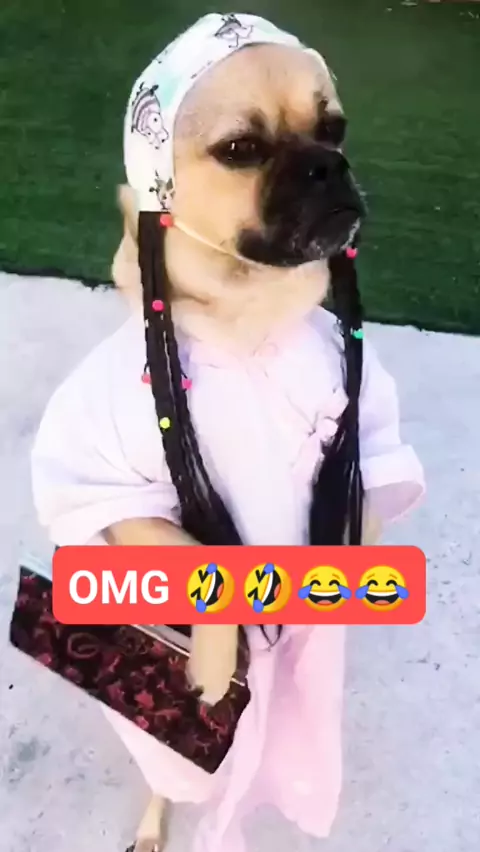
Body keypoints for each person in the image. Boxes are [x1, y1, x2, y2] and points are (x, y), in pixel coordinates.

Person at [31, 13, 425, 852]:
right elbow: (106, 504)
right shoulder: (120, 386)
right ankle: (162, 804)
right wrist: (216, 610)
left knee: (282, 721)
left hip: (293, 606)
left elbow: (368, 454)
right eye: (245, 149)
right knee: (178, 738)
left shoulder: (331, 352)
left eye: (327, 134)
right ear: (161, 185)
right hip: (189, 625)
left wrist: (349, 548)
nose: (321, 167)